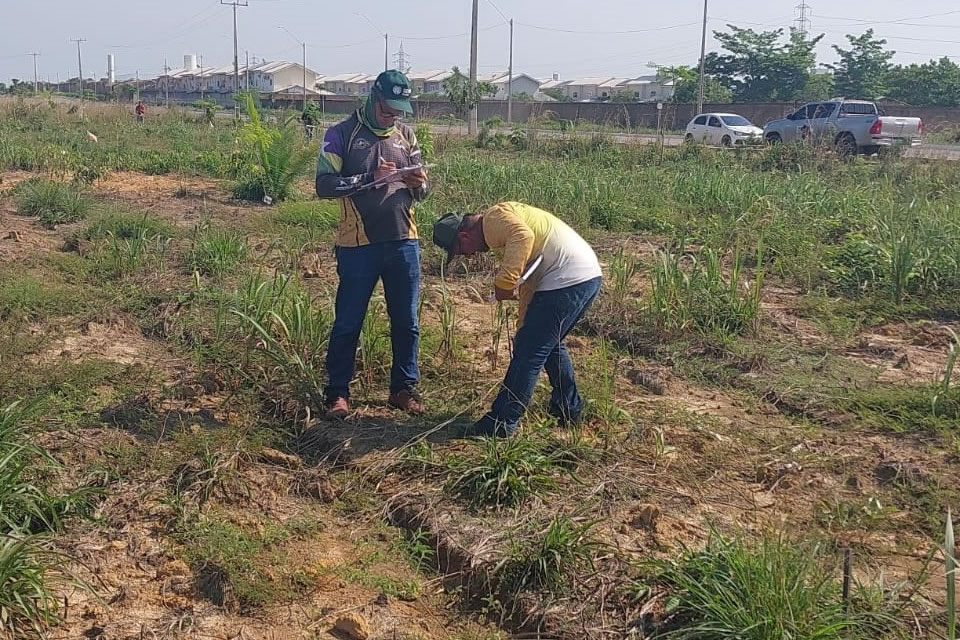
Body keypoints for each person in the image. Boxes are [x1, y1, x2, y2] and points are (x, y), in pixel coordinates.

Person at [432, 202, 603, 438]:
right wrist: (523, 323)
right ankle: (568, 409)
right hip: (584, 276)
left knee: (529, 354)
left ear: (464, 234)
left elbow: (523, 237)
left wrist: (503, 282)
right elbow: (530, 278)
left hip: (567, 279)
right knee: (548, 344)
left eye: (462, 250)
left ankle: (502, 423)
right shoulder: (503, 225)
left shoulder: (494, 218)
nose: (469, 256)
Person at [315, 70, 429, 419]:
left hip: (403, 242)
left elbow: (422, 193)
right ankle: (338, 392)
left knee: (406, 321)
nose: (392, 116)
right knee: (349, 321)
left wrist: (418, 182)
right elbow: (324, 185)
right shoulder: (340, 135)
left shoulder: (406, 136)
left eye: (398, 110)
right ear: (372, 98)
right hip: (358, 245)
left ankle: (402, 389)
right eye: (387, 109)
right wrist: (370, 178)